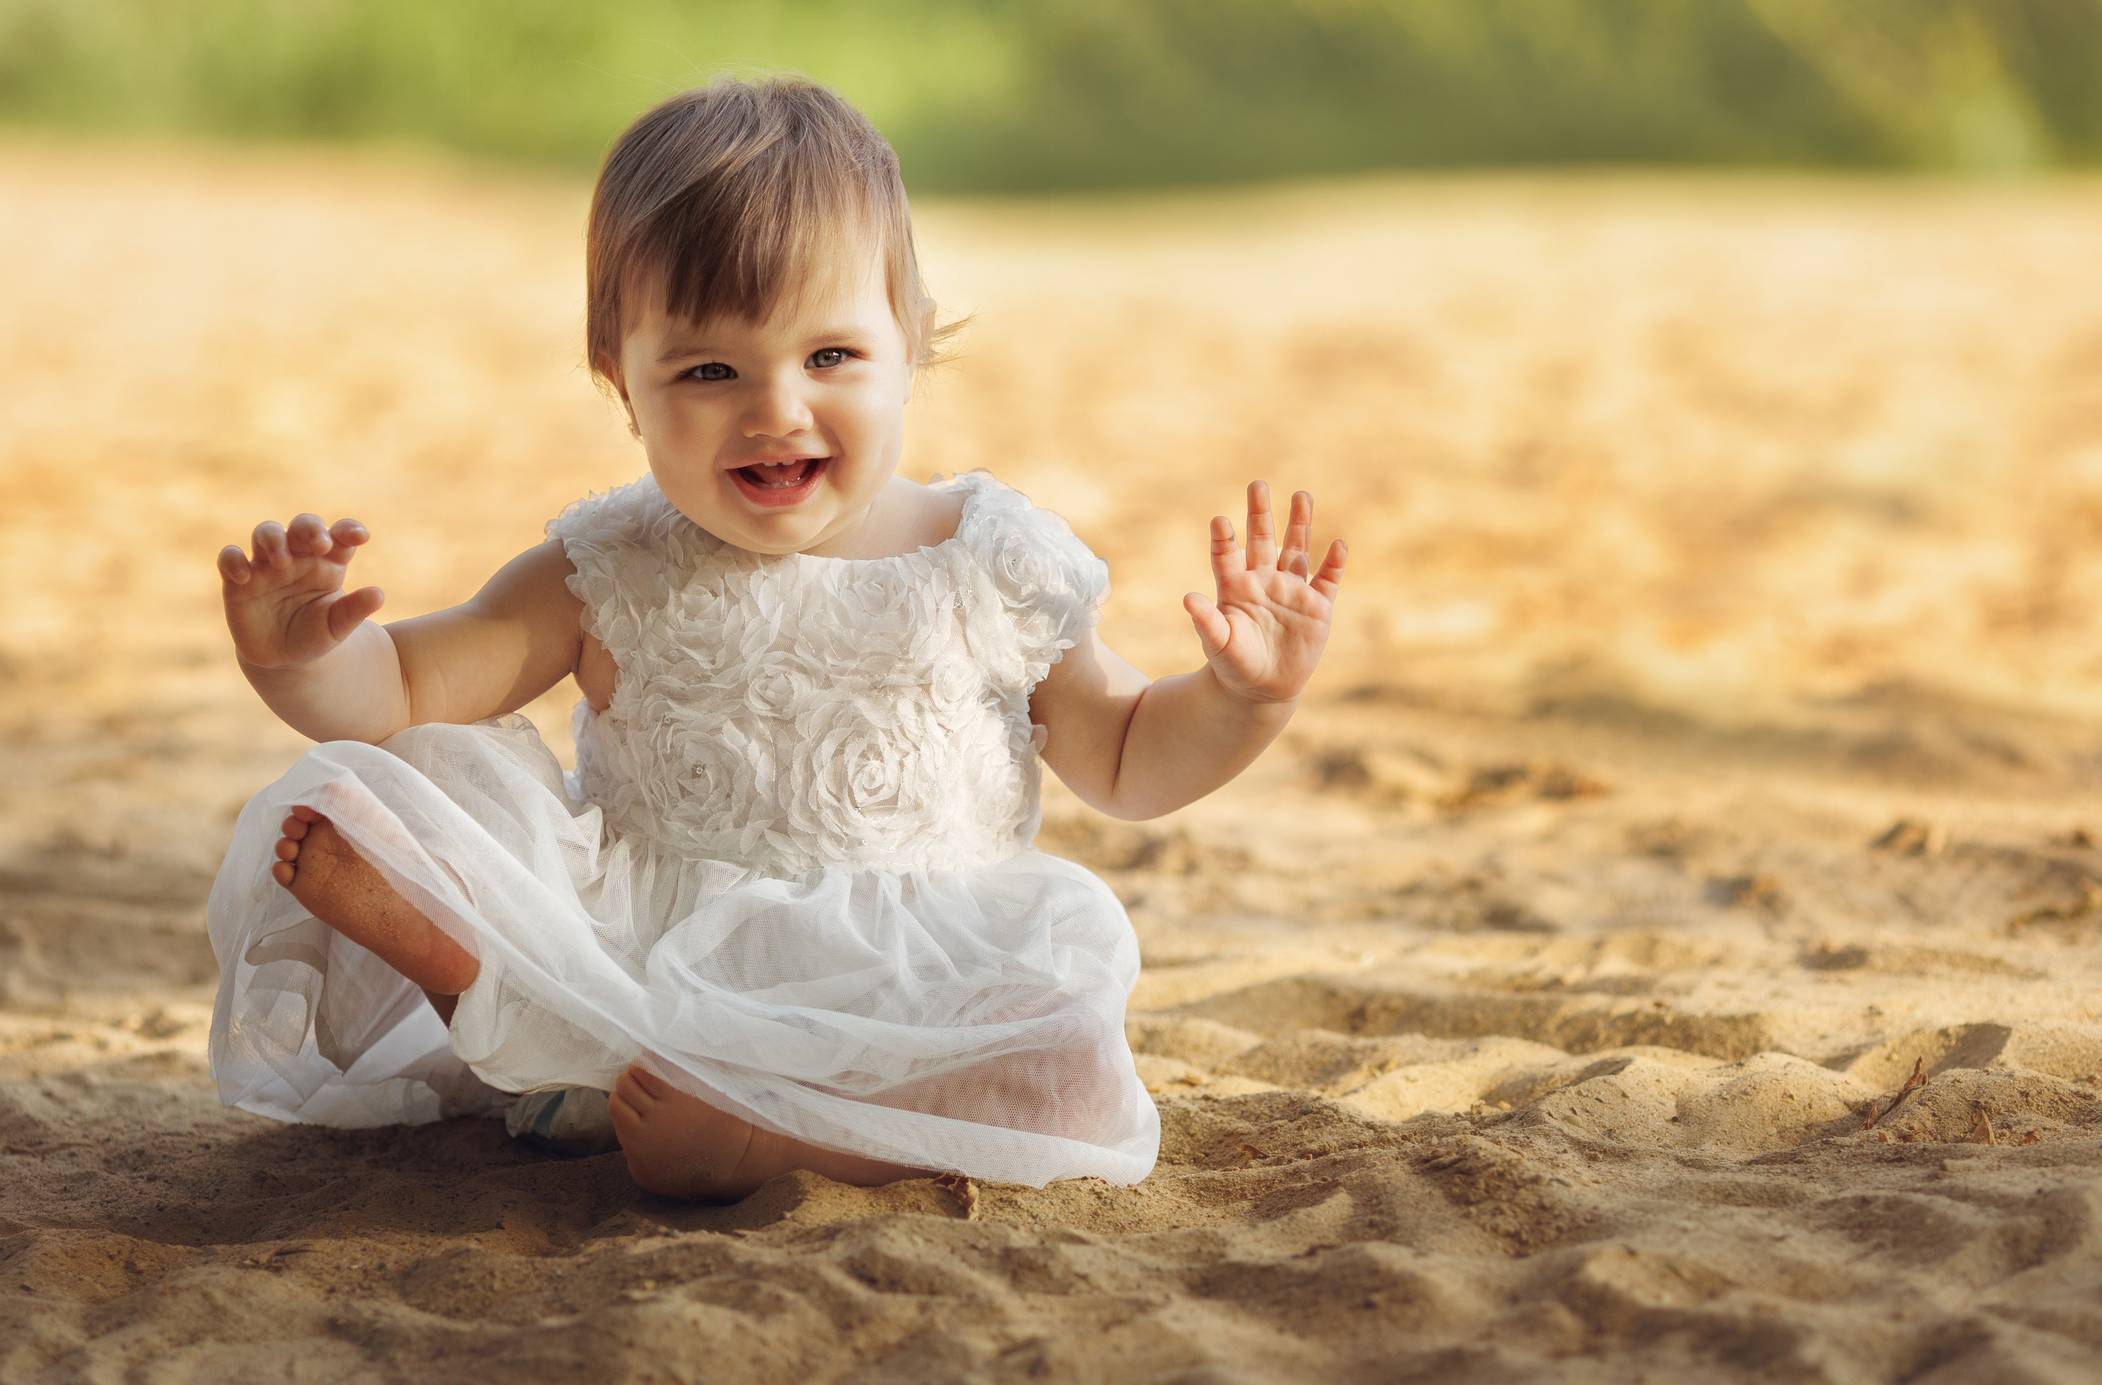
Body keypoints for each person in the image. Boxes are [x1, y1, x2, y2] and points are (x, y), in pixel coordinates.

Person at [203, 76, 1347, 1199]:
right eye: (708, 370)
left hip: (904, 983)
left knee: (1058, 1052)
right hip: (646, 957)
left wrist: (1243, 698)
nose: (775, 410)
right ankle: (518, 1011)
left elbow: (1129, 757)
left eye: (830, 357)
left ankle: (771, 1140)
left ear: (913, 341)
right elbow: (404, 682)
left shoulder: (991, 564)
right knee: (415, 771)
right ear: (622, 382)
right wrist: (301, 655)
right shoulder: (607, 567)